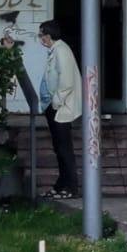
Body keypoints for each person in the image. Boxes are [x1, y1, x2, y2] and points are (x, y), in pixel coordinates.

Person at [37, 19, 81, 200]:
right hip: (54, 106)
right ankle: (61, 184)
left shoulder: (62, 51)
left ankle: (70, 186)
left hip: (61, 107)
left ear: (48, 35)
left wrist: (56, 101)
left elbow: (66, 81)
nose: (40, 39)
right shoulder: (55, 51)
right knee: (58, 147)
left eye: (41, 35)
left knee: (64, 148)